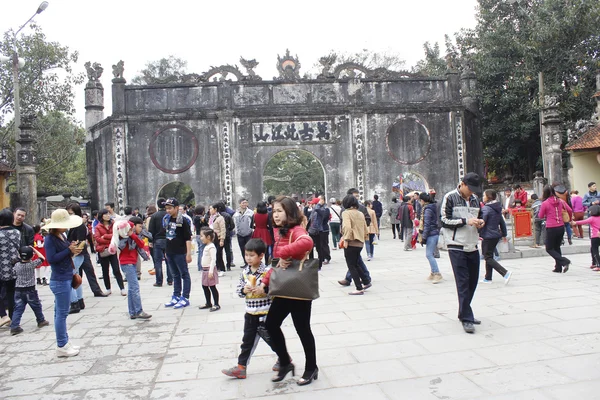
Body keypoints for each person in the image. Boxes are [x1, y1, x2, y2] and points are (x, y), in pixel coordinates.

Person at [266, 196, 318, 385]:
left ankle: (311, 368)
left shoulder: (296, 230)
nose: (276, 214)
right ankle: (286, 362)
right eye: (274, 211)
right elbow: (276, 264)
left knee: (302, 329)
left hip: (298, 287)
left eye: (279, 211)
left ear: (289, 213)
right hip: (284, 286)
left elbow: (307, 242)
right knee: (271, 324)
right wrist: (264, 282)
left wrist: (283, 252)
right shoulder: (281, 232)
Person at [222, 238, 277, 379]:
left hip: (265, 313)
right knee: (247, 341)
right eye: (246, 255)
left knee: (272, 339)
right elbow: (239, 291)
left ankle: (284, 358)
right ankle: (241, 367)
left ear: (261, 255)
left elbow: (274, 291)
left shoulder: (267, 271)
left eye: (252, 255)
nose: (248, 258)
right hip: (250, 312)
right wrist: (244, 290)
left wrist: (263, 291)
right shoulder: (245, 272)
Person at [440, 172, 485, 334]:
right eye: (470, 189)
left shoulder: (475, 199)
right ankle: (466, 318)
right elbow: (444, 220)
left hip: (472, 244)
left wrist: (480, 222)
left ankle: (463, 312)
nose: (472, 192)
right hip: (456, 245)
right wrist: (465, 221)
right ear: (463, 184)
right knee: (463, 282)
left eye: (474, 190)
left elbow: (478, 216)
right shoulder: (450, 197)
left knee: (472, 281)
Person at [44, 208, 84, 357]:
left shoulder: (61, 235)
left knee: (59, 313)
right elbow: (51, 259)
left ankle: (65, 341)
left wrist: (72, 249)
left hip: (65, 276)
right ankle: (61, 345)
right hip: (59, 279)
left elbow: (65, 253)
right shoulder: (50, 239)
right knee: (62, 314)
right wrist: (68, 250)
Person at [111, 217, 152, 319]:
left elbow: (141, 244)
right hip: (127, 263)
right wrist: (131, 234)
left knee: (131, 288)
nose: (140, 228)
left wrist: (132, 235)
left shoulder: (133, 236)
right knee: (135, 288)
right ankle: (139, 311)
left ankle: (132, 312)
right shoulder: (123, 237)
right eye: (139, 226)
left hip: (131, 263)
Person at [66, 203, 107, 297]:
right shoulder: (70, 225)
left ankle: (96, 291)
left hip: (80, 252)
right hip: (74, 252)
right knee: (77, 273)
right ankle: (77, 295)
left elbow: (81, 240)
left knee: (88, 271)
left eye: (71, 213)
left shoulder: (79, 225)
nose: (70, 215)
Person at [9, 246, 50, 335]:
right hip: (30, 290)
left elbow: (13, 272)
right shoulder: (32, 264)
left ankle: (14, 326)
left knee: (18, 309)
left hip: (18, 290)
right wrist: (34, 249)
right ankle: (41, 320)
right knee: (36, 306)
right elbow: (42, 258)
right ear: (32, 256)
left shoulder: (17, 265)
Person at [163, 198, 193, 309]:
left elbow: (187, 238)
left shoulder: (183, 220)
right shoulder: (167, 219)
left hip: (180, 252)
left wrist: (188, 253)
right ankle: (176, 295)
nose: (168, 210)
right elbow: (166, 236)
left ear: (176, 208)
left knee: (184, 274)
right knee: (175, 275)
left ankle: (185, 297)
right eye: (166, 208)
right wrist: (166, 251)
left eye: (170, 208)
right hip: (170, 251)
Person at [479, 190, 512, 285]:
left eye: (484, 195)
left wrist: (478, 230)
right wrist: (504, 234)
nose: (483, 197)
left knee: (488, 257)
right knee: (489, 256)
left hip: (488, 235)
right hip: (495, 235)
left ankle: (505, 273)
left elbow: (482, 222)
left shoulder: (486, 209)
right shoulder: (497, 208)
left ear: (488, 197)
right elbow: (502, 222)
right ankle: (488, 278)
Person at [341, 195, 371, 294]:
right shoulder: (360, 213)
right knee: (357, 263)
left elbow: (347, 227)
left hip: (351, 242)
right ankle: (366, 281)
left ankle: (359, 288)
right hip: (360, 242)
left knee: (351, 265)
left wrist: (346, 239)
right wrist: (364, 238)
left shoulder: (346, 213)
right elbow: (365, 228)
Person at [538, 185, 572, 273]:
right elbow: (570, 210)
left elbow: (540, 216)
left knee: (549, 248)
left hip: (551, 227)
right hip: (561, 226)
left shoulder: (545, 203)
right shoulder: (561, 201)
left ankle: (564, 261)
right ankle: (558, 267)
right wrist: (570, 219)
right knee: (557, 247)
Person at [94, 209, 126, 296]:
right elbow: (97, 239)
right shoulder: (98, 227)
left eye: (108, 214)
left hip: (112, 250)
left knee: (116, 269)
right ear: (101, 216)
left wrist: (105, 236)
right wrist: (109, 241)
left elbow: (116, 235)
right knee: (105, 270)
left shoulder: (113, 225)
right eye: (105, 214)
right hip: (103, 250)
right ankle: (108, 288)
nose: (108, 215)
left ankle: (122, 288)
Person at [0, 208, 22, 328]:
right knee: (12, 294)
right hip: (13, 268)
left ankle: (3, 315)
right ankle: (13, 319)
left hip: (1, 268)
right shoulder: (17, 233)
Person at [419, 193, 442, 283]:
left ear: (423, 200)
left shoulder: (427, 210)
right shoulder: (432, 207)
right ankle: (433, 272)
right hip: (434, 232)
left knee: (429, 255)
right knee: (430, 254)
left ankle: (437, 273)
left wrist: (424, 237)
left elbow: (427, 224)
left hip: (431, 234)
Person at [149, 198, 172, 287]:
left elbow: (151, 230)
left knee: (157, 261)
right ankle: (170, 280)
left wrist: (151, 241)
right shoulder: (169, 215)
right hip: (168, 240)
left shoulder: (154, 216)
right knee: (169, 260)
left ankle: (159, 281)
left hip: (157, 240)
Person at [198, 227, 220, 312]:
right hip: (205, 270)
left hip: (209, 270)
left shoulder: (211, 247)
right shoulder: (207, 246)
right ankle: (208, 302)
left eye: (202, 236)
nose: (201, 238)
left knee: (212, 287)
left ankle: (216, 304)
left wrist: (211, 271)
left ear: (208, 237)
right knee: (204, 286)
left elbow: (213, 260)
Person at [572, 205, 600, 270]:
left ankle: (598, 265)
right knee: (593, 249)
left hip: (595, 236)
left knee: (595, 250)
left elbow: (584, 222)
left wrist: (575, 222)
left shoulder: (592, 218)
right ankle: (594, 263)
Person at [307, 196, 330, 269]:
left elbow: (321, 213)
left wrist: (319, 204)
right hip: (311, 230)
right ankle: (311, 263)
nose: (311, 205)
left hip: (319, 231)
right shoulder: (313, 210)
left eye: (313, 204)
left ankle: (319, 264)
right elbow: (310, 220)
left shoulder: (323, 210)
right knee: (310, 248)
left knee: (319, 248)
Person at [234, 199, 254, 269]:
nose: (244, 204)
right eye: (243, 203)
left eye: (246, 203)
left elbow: (253, 223)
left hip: (248, 233)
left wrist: (252, 230)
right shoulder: (236, 213)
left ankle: (251, 263)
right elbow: (235, 223)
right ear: (240, 204)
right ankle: (245, 262)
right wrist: (236, 232)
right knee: (242, 249)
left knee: (249, 248)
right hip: (240, 234)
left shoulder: (250, 212)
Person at [209, 203, 227, 277]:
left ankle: (222, 269)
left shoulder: (220, 218)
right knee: (213, 254)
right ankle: (217, 268)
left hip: (218, 237)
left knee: (218, 253)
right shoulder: (211, 217)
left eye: (211, 208)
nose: (210, 210)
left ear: (215, 209)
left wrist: (222, 239)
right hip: (212, 237)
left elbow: (223, 229)